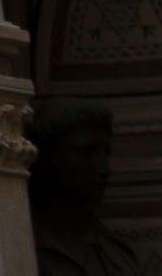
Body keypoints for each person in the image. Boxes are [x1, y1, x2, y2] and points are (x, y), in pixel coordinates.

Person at [27, 97, 148, 276]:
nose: (103, 167)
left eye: (106, 152)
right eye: (86, 151)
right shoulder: (22, 241)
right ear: (45, 156)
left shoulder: (116, 254)